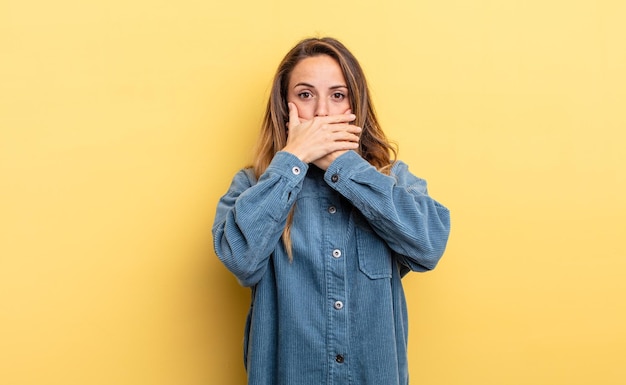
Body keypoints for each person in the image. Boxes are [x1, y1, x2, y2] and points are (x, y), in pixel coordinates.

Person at [212, 37, 450, 385]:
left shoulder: (392, 179)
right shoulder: (254, 184)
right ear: (285, 106)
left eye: (337, 95)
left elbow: (429, 246)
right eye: (305, 95)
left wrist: (346, 168)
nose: (322, 112)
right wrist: (293, 160)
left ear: (355, 105)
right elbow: (240, 260)